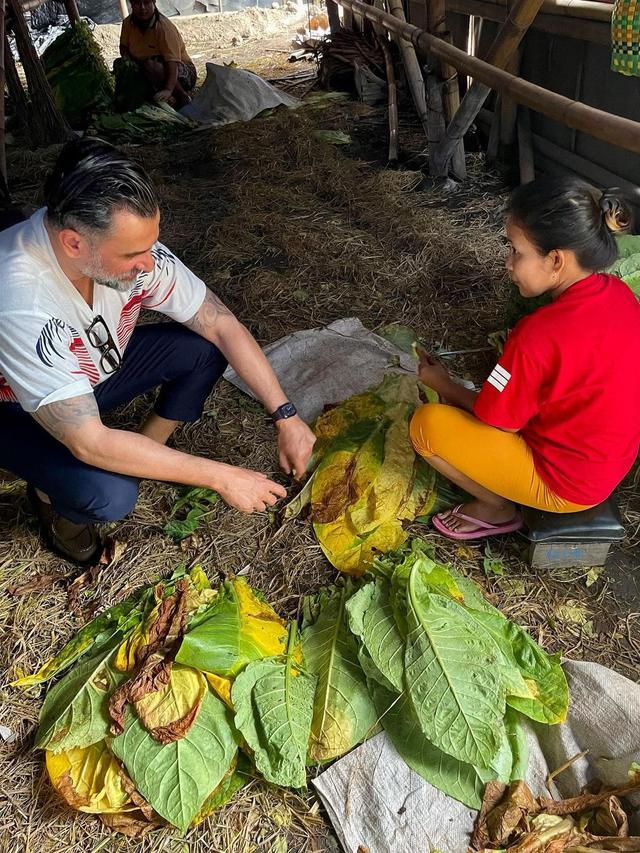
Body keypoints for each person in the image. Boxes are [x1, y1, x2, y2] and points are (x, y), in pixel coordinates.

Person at [0, 138, 315, 563]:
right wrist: (222, 477)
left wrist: (286, 417)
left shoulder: (118, 251)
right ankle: (58, 511)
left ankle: (142, 452)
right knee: (108, 494)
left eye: (151, 245)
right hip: (17, 408)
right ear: (73, 243)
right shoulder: (20, 296)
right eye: (133, 253)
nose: (150, 263)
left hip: (92, 372)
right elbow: (88, 440)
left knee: (203, 349)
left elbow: (221, 325)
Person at [410, 176, 640, 541]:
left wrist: (443, 384)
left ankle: (496, 508)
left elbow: (496, 420)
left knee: (427, 425)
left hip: (564, 485)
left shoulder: (537, 334)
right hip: (607, 464)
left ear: (556, 260)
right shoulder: (620, 295)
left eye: (516, 251)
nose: (508, 263)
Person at [119, 0, 196, 108]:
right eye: (137, 3)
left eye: (146, 3)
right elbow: (123, 47)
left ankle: (182, 96)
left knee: (151, 64)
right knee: (120, 64)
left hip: (182, 72)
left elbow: (172, 62)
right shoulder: (127, 23)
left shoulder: (164, 28)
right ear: (131, 4)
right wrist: (130, 63)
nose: (142, 8)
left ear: (153, 3)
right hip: (144, 66)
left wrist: (168, 90)